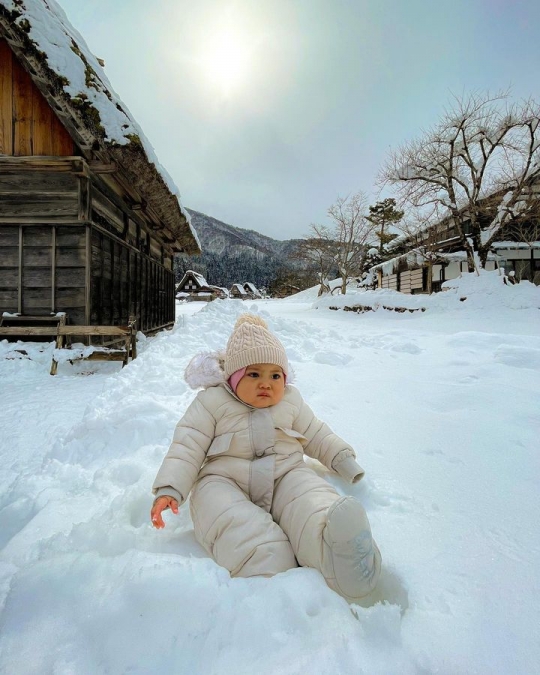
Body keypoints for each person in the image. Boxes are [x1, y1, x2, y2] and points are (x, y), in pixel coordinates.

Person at [151, 313, 381, 602]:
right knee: (225, 514)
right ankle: (265, 561)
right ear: (233, 377)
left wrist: (341, 458)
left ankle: (337, 549)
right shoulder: (211, 403)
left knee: (309, 498)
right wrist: (170, 488)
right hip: (224, 480)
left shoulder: (291, 401)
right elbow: (187, 445)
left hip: (285, 473)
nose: (266, 384)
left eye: (275, 375)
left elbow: (316, 433)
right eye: (254, 374)